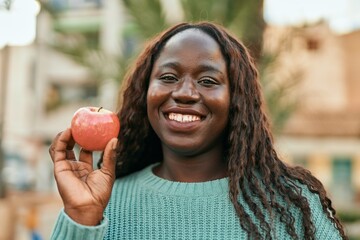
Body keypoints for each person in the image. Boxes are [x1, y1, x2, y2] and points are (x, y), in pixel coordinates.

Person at [49, 22, 347, 240]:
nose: (185, 93)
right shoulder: (103, 204)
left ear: (236, 101)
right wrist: (81, 218)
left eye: (207, 81)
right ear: (145, 93)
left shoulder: (292, 205)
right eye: (168, 76)